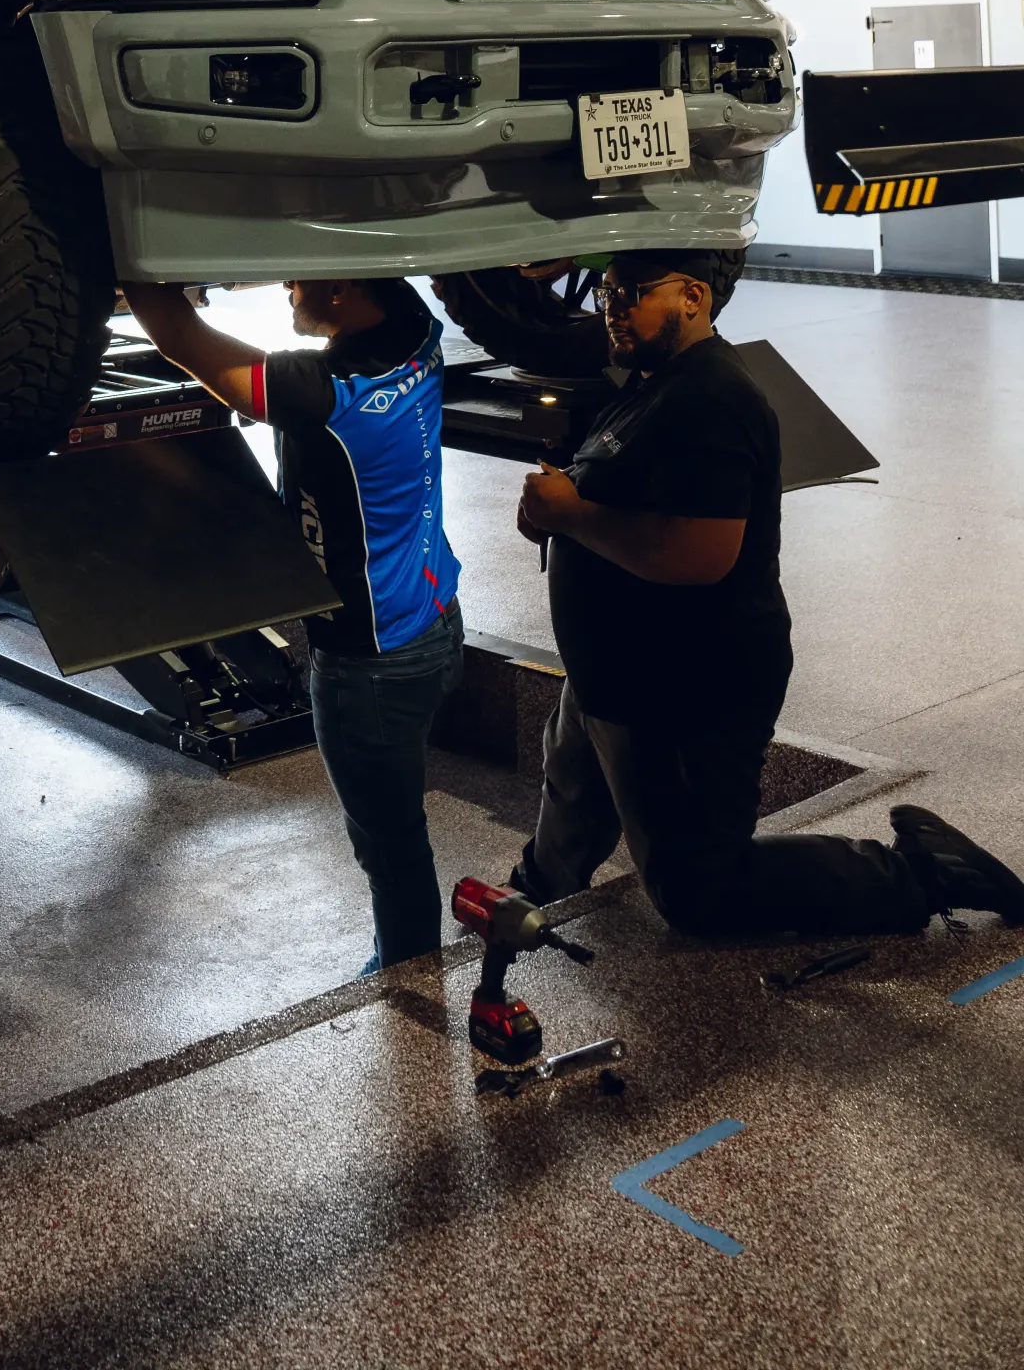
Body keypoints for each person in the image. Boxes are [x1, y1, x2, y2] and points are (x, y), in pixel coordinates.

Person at [514, 247, 1024, 936]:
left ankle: (921, 873)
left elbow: (700, 556)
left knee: (701, 890)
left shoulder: (713, 397)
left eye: (632, 292)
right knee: (574, 794)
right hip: (616, 672)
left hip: (688, 687)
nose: (613, 309)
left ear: (693, 297)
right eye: (607, 293)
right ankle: (531, 897)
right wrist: (557, 513)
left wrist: (568, 515)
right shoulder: (650, 380)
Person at [120, 275, 464, 972]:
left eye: (299, 281)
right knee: (400, 812)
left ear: (343, 293)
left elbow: (184, 342)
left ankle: (407, 969)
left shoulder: (328, 396)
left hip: (368, 667)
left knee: (389, 838)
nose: (286, 290)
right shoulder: (419, 333)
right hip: (437, 622)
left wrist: (128, 265)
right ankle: (406, 951)